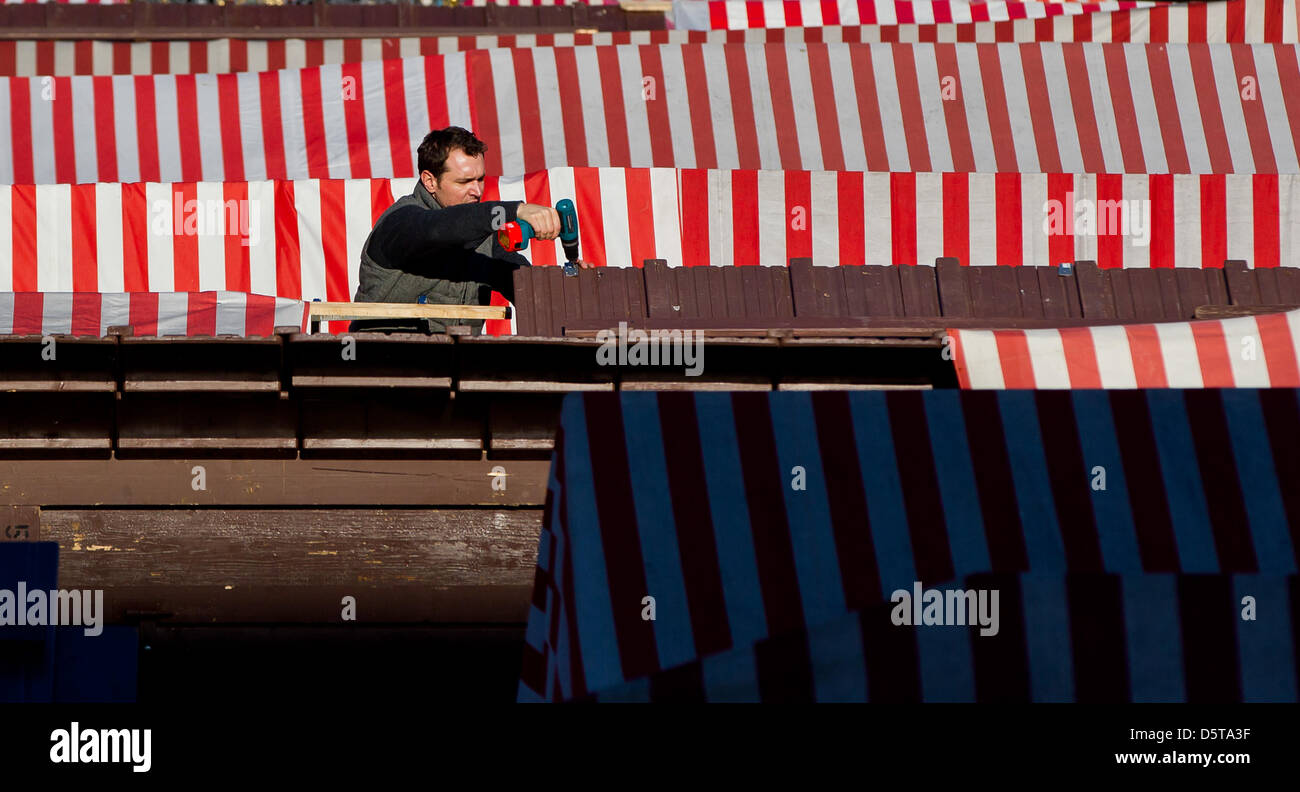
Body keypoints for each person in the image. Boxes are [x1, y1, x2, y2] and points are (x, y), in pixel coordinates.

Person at [349, 126, 591, 334]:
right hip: (383, 371)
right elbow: (441, 229)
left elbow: (528, 290)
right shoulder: (400, 222)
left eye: (480, 179)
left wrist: (572, 286)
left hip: (456, 374)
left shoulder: (487, 238)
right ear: (430, 181)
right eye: (464, 182)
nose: (477, 190)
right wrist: (516, 210)